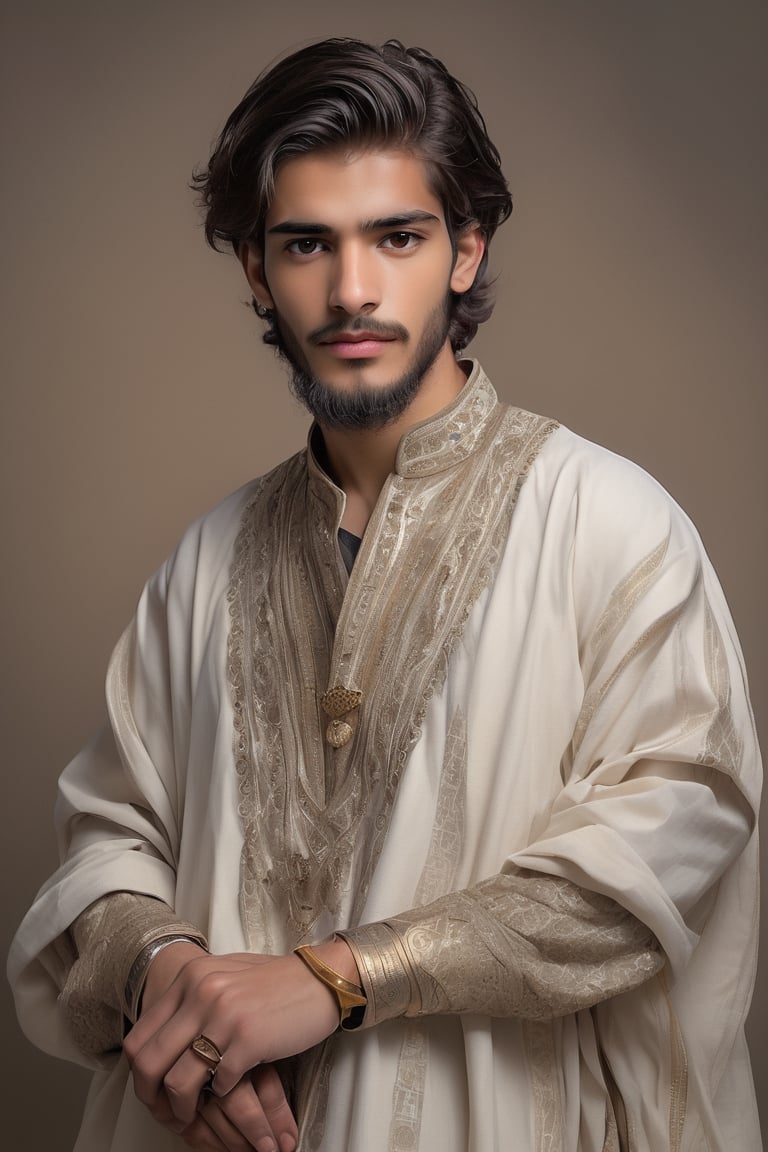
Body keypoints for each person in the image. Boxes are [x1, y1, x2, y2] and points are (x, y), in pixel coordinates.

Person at [7, 36, 762, 1152]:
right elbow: (105, 845)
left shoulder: (611, 524)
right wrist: (180, 996)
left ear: (464, 251)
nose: (352, 289)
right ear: (258, 273)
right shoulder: (206, 566)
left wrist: (340, 977)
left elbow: (662, 850)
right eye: (307, 244)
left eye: (396, 238)